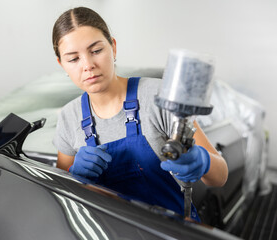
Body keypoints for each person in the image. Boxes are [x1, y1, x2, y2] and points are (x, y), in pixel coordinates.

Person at [52, 6, 228, 221]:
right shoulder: (69, 117)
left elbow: (219, 177)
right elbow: (62, 194)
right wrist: (73, 175)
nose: (88, 65)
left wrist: (203, 161)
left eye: (96, 50)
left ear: (113, 48)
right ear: (62, 63)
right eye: (73, 59)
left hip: (169, 230)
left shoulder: (158, 96)